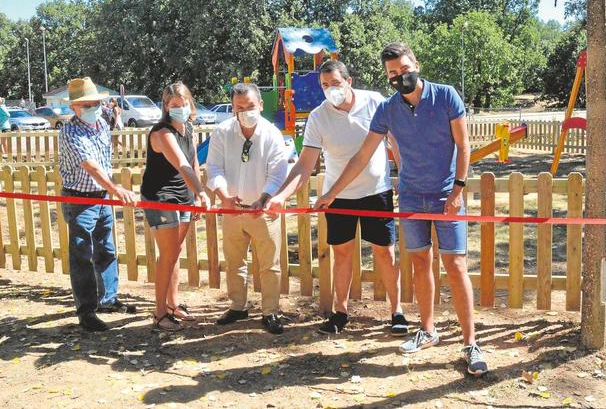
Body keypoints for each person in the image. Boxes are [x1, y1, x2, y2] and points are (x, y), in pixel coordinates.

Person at [315, 42, 488, 376]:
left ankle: (470, 343)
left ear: (416, 64)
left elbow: (464, 145)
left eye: (404, 70)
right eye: (393, 73)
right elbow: (363, 155)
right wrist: (332, 193)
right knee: (421, 262)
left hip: (446, 196)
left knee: (455, 264)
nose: (400, 77)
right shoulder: (388, 108)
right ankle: (427, 329)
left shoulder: (446, 95)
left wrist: (458, 191)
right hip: (410, 196)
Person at [266, 60, 408, 336]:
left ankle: (397, 311)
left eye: (335, 83)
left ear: (349, 81)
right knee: (341, 255)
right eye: (324, 85)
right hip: (337, 197)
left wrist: (401, 172)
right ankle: (340, 313)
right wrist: (282, 195)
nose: (330, 90)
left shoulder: (374, 102)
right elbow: (305, 164)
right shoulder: (318, 117)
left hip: (376, 191)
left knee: (385, 252)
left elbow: (395, 141)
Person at [206, 82, 288, 334]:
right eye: (239, 107)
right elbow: (214, 167)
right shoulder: (221, 132)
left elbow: (278, 173)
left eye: (250, 106)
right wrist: (223, 195)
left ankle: (270, 311)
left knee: (269, 264)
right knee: (234, 261)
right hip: (232, 209)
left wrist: (263, 199)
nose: (245, 111)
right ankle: (238, 306)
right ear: (232, 108)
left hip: (262, 211)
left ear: (261, 105)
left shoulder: (272, 134)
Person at [58, 77, 137, 332]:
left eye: (95, 103)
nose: (93, 107)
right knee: (82, 256)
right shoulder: (69, 132)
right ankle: (87, 312)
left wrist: (109, 190)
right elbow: (90, 165)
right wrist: (115, 189)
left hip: (101, 198)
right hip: (79, 200)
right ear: (74, 108)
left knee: (107, 249)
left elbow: (104, 162)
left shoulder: (102, 124)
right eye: (87, 104)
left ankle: (108, 299)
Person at [141, 82, 211, 332]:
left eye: (184, 104)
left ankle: (172, 304)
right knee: (167, 256)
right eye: (174, 106)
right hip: (161, 197)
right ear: (166, 107)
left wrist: (195, 197)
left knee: (175, 254)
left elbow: (194, 163)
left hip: (183, 196)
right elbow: (181, 165)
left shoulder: (188, 128)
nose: (180, 109)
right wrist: (201, 193)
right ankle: (159, 314)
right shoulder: (162, 133)